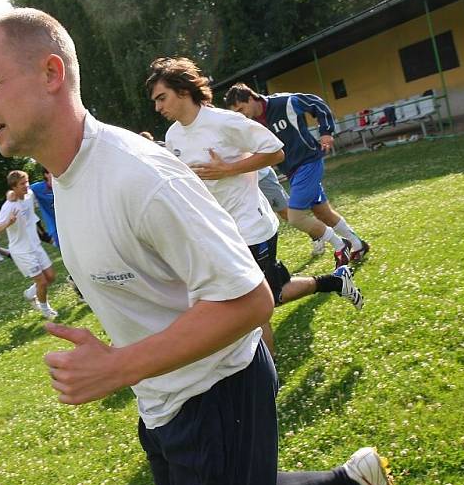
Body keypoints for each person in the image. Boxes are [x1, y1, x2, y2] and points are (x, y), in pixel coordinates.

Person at [0, 8, 408, 485]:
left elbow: (250, 300)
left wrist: (115, 367)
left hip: (217, 392)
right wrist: (130, 372)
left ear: (51, 74)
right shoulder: (64, 177)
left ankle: (346, 481)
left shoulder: (139, 176)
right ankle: (351, 480)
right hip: (160, 398)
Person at [146, 57, 364, 354]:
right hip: (218, 230)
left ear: (183, 90)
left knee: (251, 305)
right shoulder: (173, 137)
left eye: (162, 97)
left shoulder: (226, 121)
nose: (158, 107)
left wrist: (229, 169)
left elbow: (275, 151)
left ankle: (268, 376)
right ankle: (336, 282)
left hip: (252, 225)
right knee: (269, 295)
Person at [224, 83, 370, 264]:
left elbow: (317, 104)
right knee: (322, 212)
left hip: (308, 163)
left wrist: (326, 132)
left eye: (241, 108)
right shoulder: (252, 123)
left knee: (295, 217)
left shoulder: (285, 102)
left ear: (252, 98)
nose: (241, 114)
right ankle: (358, 244)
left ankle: (341, 246)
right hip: (293, 172)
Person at [0, 170, 58, 319]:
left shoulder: (29, 195)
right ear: (13, 187)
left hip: (35, 246)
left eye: (27, 182)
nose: (26, 185)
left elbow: (36, 188)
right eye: (22, 184)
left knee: (51, 277)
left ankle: (30, 294)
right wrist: (8, 222)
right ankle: (46, 310)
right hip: (22, 251)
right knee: (42, 282)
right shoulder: (9, 206)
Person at [30, 167, 86, 303]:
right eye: (50, 173)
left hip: (74, 224)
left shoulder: (64, 183)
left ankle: (77, 282)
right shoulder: (38, 188)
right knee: (74, 259)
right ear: (45, 175)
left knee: (83, 257)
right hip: (57, 230)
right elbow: (23, 189)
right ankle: (80, 290)